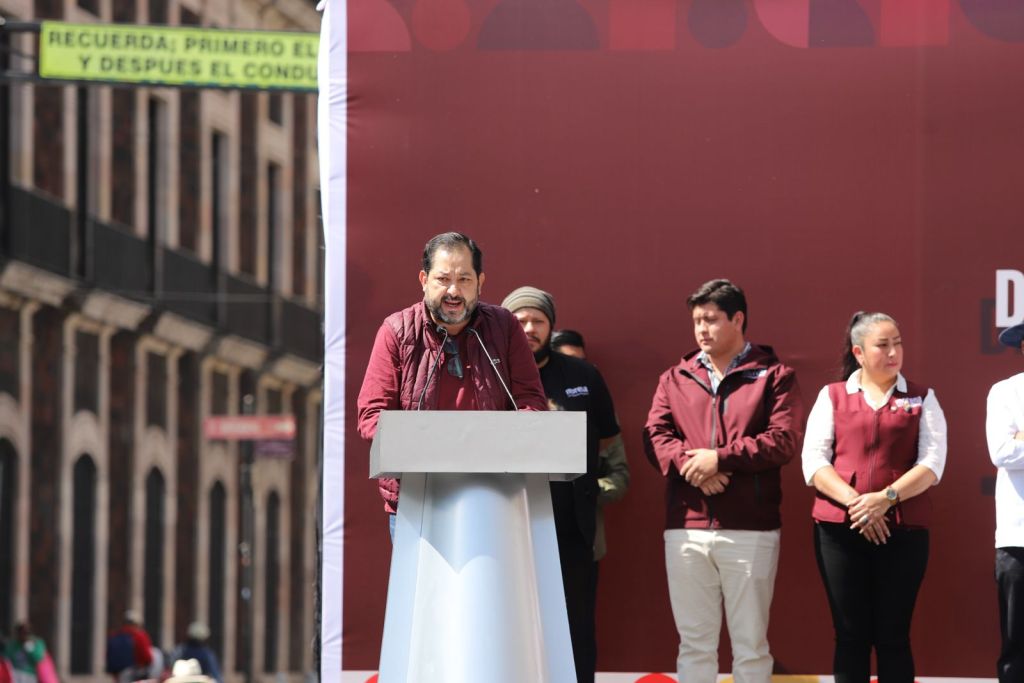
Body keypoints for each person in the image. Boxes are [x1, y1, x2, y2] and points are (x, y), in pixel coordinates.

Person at [643, 278, 803, 683]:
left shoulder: (774, 375)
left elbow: (783, 441)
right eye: (697, 320)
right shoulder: (674, 378)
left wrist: (720, 459)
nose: (701, 329)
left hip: (751, 528)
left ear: (738, 319)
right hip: (686, 527)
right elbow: (655, 437)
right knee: (694, 644)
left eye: (711, 320)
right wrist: (694, 468)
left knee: (750, 646)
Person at [356, 232, 547, 536]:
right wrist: (431, 444)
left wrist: (498, 441)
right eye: (443, 279)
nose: (454, 291)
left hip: (495, 494)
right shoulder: (396, 331)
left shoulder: (505, 327)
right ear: (424, 279)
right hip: (417, 500)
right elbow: (371, 417)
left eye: (465, 280)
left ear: (481, 282)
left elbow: (532, 402)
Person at [802, 311, 947, 683]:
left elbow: (932, 464)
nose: (894, 351)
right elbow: (814, 461)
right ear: (860, 352)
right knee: (850, 636)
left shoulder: (922, 398)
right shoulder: (832, 396)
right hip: (839, 532)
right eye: (883, 345)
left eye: (898, 342)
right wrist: (858, 504)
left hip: (903, 532)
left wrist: (886, 498)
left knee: (893, 637)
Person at [502, 289, 622, 683]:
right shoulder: (489, 374)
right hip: (505, 526)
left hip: (572, 527)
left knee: (574, 630)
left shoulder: (583, 375)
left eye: (537, 320)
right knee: (508, 626)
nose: (529, 328)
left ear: (551, 325)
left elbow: (607, 437)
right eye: (519, 320)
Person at [549, 328, 631, 563]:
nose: (576, 370)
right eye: (567, 361)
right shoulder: (525, 406)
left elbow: (620, 476)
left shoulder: (600, 418)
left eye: (580, 362)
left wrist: (585, 491)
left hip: (582, 542)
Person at [987, 321, 1024, 683]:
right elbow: (1002, 450)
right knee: (1017, 649)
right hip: (1018, 540)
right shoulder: (1005, 392)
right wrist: (1014, 442)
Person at [106, 610, 154, 683]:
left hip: (117, 675)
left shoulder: (114, 636)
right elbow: (147, 657)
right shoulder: (139, 636)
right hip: (134, 674)